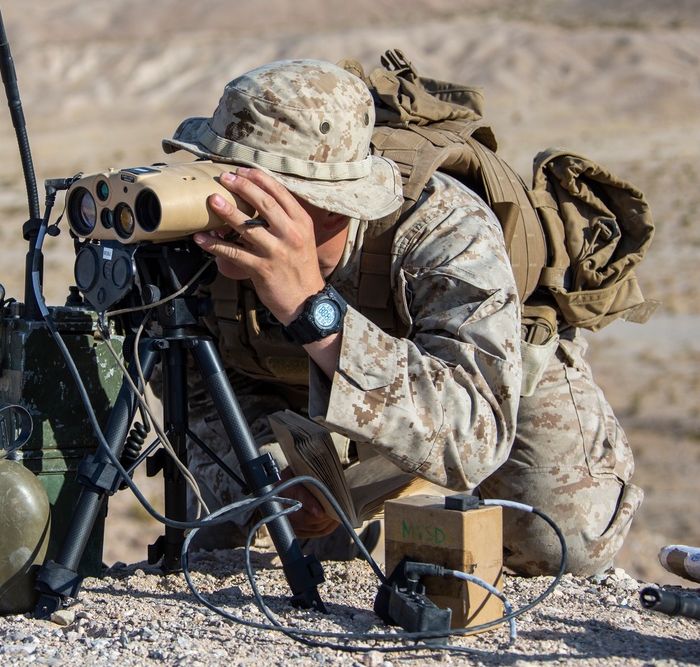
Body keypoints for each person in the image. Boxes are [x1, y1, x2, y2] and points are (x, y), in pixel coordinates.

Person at [159, 58, 642, 577]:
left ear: (330, 204)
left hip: (482, 365)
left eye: (253, 190)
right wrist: (279, 475)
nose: (224, 199)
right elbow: (192, 386)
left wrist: (309, 307)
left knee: (557, 544)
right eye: (221, 172)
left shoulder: (445, 229)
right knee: (259, 522)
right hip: (287, 366)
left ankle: (405, 481)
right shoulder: (200, 230)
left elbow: (475, 436)